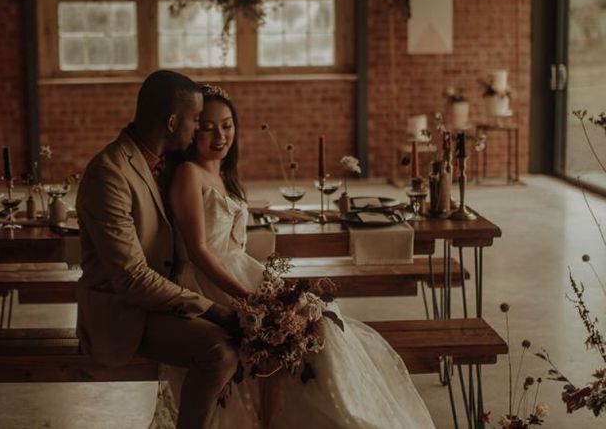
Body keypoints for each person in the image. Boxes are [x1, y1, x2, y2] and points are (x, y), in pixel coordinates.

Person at [152, 84, 437, 429]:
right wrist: (249, 299)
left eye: (227, 125)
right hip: (209, 280)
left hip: (239, 269)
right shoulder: (188, 174)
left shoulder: (221, 173)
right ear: (192, 129)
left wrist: (281, 212)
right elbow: (198, 250)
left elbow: (224, 211)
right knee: (296, 329)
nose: (220, 135)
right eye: (208, 127)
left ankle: (336, 414)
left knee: (321, 320)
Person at [76, 70, 240, 429]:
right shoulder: (110, 174)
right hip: (122, 314)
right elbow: (132, 280)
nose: (200, 129)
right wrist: (216, 311)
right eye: (196, 120)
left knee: (250, 341)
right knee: (219, 352)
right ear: (170, 122)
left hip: (161, 300)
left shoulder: (164, 163)